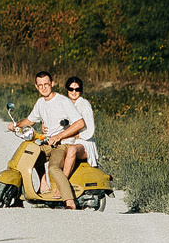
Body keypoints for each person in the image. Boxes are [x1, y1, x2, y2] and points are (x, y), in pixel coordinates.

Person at [5, 70, 79, 202]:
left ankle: (69, 201)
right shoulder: (40, 103)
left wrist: (59, 136)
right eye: (40, 85)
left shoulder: (63, 101)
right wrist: (16, 125)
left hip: (62, 144)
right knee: (29, 157)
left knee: (53, 168)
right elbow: (30, 120)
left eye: (46, 84)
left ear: (52, 84)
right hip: (48, 143)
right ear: (36, 86)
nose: (43, 88)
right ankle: (41, 184)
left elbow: (80, 123)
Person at [53, 76, 99, 199]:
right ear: (66, 90)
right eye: (71, 89)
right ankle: (45, 185)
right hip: (69, 140)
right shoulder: (65, 104)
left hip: (84, 142)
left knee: (71, 149)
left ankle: (61, 187)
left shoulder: (83, 104)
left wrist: (73, 134)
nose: (74, 92)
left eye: (77, 89)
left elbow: (89, 130)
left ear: (81, 90)